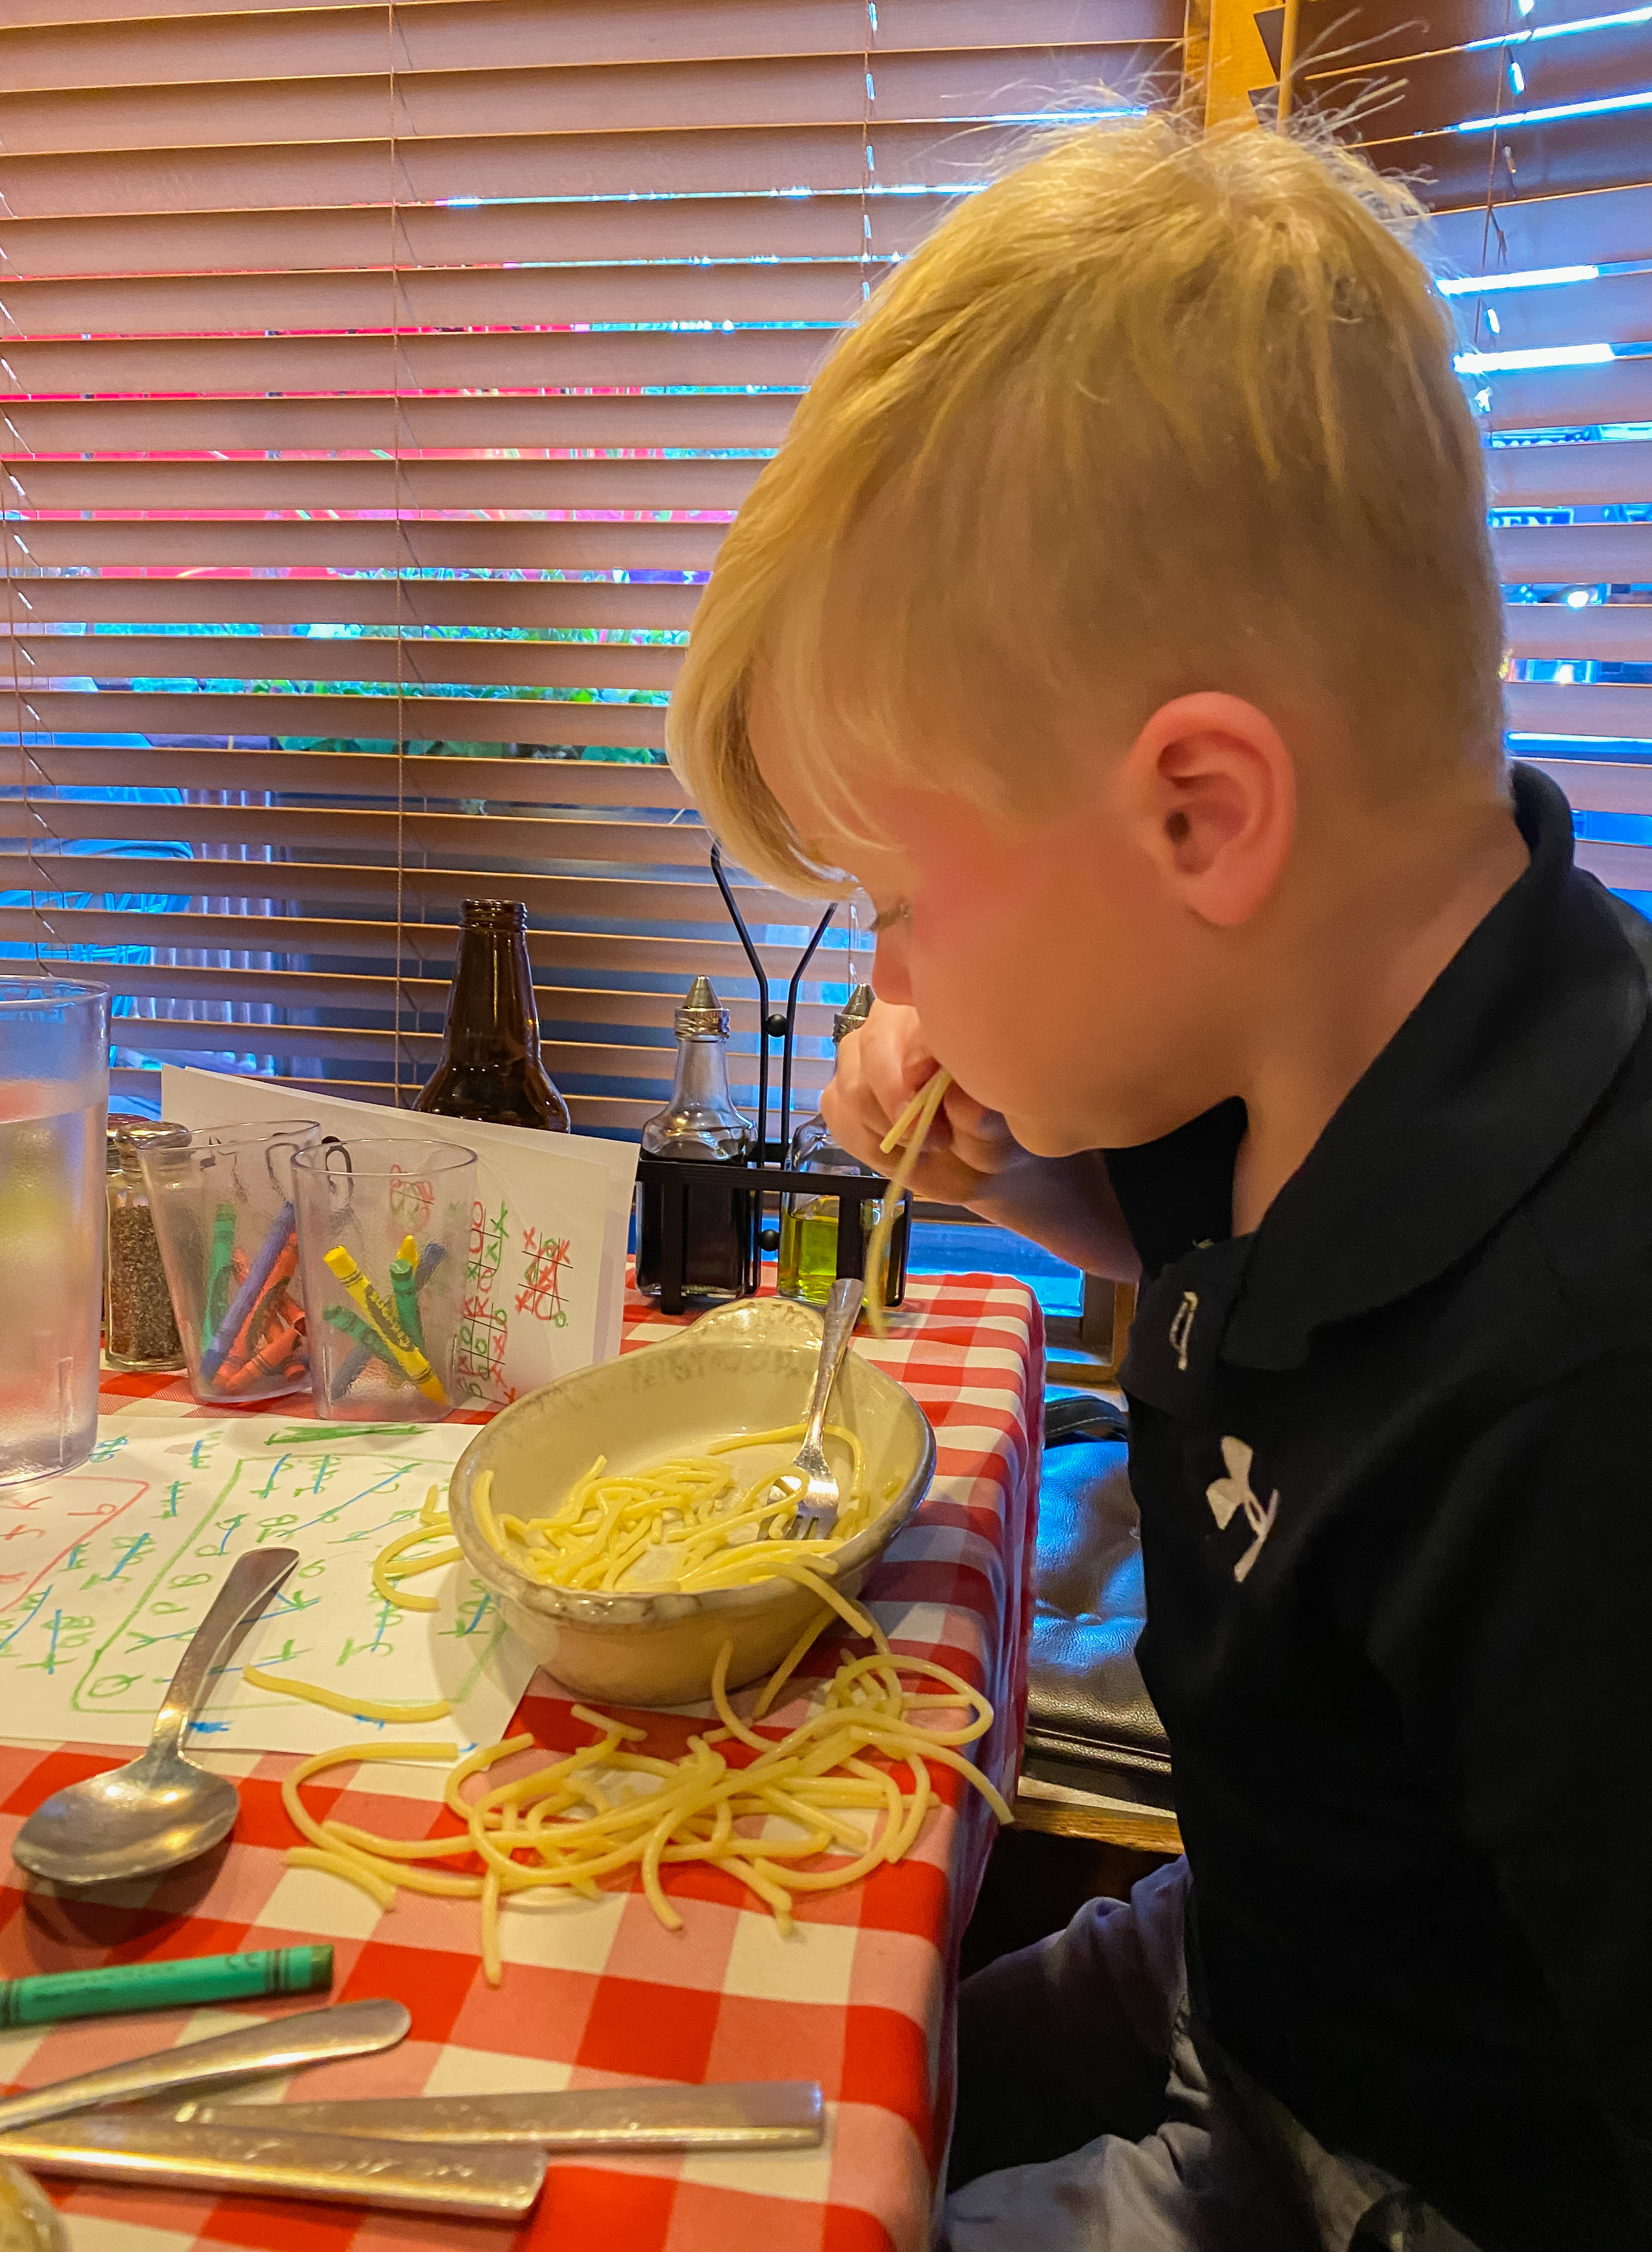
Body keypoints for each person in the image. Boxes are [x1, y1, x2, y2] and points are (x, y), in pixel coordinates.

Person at [666, 107, 1652, 2252]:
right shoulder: (1297, 1038)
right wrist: (1023, 1169)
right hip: (1260, 1961)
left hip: (1406, 2175)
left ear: (1200, 817)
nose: (890, 970)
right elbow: (1243, 1290)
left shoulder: (1585, 1397)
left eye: (904, 893)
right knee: (727, 2098)